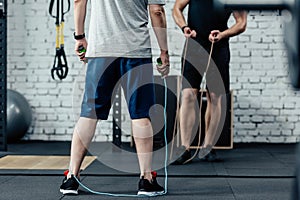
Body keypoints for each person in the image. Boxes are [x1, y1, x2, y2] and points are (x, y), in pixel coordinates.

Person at [59, 0, 169, 196]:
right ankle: (146, 179)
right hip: (136, 50)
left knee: (89, 114)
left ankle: (71, 178)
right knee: (140, 114)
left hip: (101, 49)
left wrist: (80, 37)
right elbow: (157, 11)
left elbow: (78, 1)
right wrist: (164, 51)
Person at [172, 0, 247, 164]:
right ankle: (184, 148)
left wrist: (223, 34)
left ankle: (208, 147)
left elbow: (241, 23)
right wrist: (184, 27)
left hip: (218, 47)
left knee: (216, 97)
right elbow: (177, 8)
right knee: (188, 95)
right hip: (194, 45)